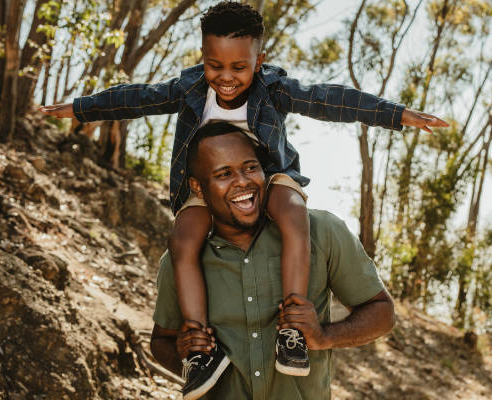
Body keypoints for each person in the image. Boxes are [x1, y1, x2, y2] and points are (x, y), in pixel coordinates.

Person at [39, 1, 447, 396]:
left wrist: (395, 114)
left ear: (259, 58)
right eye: (215, 65)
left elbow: (330, 99)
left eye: (240, 66)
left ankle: (291, 330)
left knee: (293, 214)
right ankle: (202, 354)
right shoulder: (189, 89)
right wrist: (82, 108)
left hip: (268, 178)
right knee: (182, 241)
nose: (227, 77)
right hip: (210, 186)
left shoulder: (275, 89)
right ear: (203, 57)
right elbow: (137, 97)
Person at [150, 122, 396, 400]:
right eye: (224, 174)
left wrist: (324, 336)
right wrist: (183, 355)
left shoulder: (322, 232)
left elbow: (382, 313)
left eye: (251, 167)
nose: (243, 181)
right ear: (198, 187)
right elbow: (160, 341)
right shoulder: (182, 261)